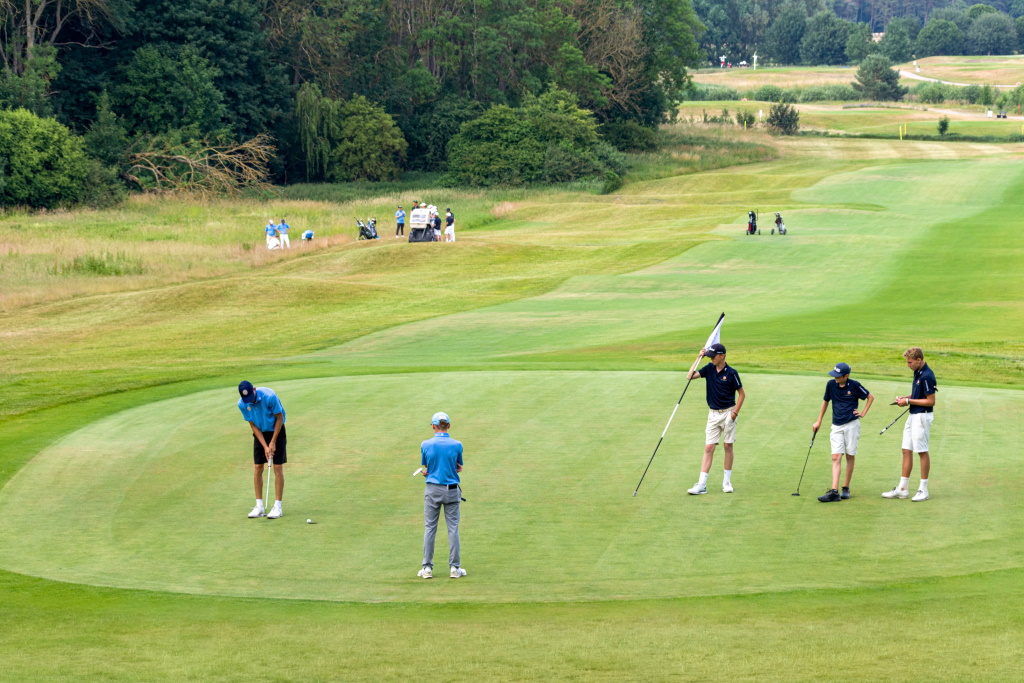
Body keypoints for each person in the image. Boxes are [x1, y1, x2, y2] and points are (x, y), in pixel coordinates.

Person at [686, 343, 745, 494]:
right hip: (713, 414)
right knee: (709, 447)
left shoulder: (731, 373)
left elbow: (742, 394)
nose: (711, 358)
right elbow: (690, 376)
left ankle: (726, 482)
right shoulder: (709, 369)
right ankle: (701, 485)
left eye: (713, 356)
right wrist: (698, 357)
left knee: (727, 446)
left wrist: (734, 414)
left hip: (728, 413)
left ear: (722, 356)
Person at [812, 363, 874, 502]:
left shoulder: (854, 385)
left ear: (846, 376)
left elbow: (870, 397)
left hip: (852, 424)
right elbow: (825, 402)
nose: (835, 378)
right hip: (836, 425)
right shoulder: (830, 385)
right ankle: (834, 491)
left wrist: (863, 413)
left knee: (850, 455)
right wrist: (819, 421)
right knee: (835, 456)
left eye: (838, 376)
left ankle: (845, 487)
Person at [882, 347, 937, 502]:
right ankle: (902, 488)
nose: (908, 365)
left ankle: (923, 490)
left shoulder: (927, 375)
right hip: (913, 415)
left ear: (919, 360)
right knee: (906, 450)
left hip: (922, 417)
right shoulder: (918, 372)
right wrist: (905, 398)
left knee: (922, 451)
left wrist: (908, 401)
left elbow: (931, 401)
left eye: (910, 362)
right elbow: (919, 394)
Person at [416, 411, 466, 579]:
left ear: (433, 426)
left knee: (430, 528)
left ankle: (427, 568)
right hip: (451, 489)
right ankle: (454, 568)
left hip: (433, 489)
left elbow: (427, 465)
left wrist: (428, 472)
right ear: (449, 426)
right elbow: (458, 465)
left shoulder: (426, 444)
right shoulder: (457, 444)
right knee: (453, 529)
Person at [237, 381, 287, 519]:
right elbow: (253, 425)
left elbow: (279, 418)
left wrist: (273, 442)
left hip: (277, 430)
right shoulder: (242, 404)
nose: (250, 401)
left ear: (254, 389)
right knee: (258, 467)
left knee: (277, 468)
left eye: (251, 397)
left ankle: (278, 507)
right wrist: (265, 446)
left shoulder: (269, 396)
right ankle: (259, 506)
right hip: (260, 433)